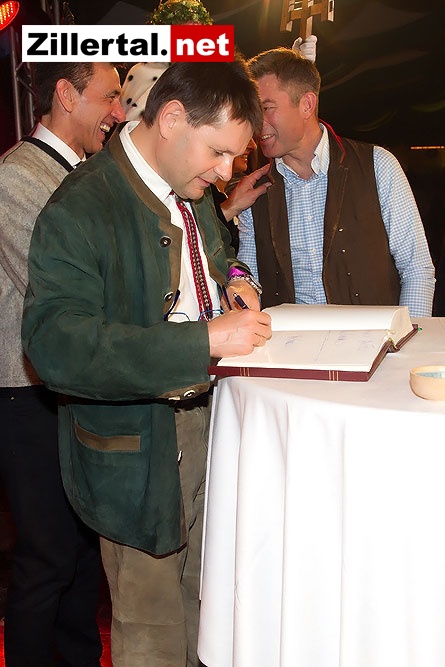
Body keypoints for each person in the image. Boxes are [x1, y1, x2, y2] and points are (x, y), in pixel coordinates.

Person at [21, 58, 272, 667]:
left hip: (211, 429)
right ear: (172, 118)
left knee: (209, 609)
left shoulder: (188, 182)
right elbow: (54, 346)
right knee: (152, 631)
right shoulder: (80, 207)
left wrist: (235, 278)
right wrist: (202, 342)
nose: (225, 173)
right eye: (217, 152)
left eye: (233, 157)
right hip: (134, 454)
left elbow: (217, 250)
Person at [0, 61, 125, 666]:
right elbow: (64, 292)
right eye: (110, 97)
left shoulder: (80, 173)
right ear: (66, 96)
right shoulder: (16, 177)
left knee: (77, 553)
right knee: (47, 557)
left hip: (67, 390)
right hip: (25, 396)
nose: (119, 113)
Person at [237, 47, 435, 317]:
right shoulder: (255, 191)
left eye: (266, 108)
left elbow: (416, 268)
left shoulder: (377, 164)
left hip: (374, 341)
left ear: (307, 105)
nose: (256, 122)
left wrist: (408, 336)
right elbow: (248, 282)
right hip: (290, 342)